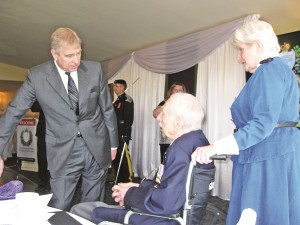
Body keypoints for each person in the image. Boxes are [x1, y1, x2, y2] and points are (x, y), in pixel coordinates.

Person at [191, 14, 300, 225]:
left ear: (258, 46)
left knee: (260, 216)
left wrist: (215, 147)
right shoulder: (279, 70)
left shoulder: (269, 70)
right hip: (273, 152)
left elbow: (262, 124)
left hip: (268, 157)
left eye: (241, 49)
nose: (238, 57)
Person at [0, 27, 118, 211]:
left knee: (92, 206)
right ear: (54, 54)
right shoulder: (37, 77)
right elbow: (14, 111)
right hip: (63, 150)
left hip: (96, 145)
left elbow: (107, 109)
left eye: (79, 53)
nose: (76, 61)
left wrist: (113, 144)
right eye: (69, 56)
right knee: (59, 205)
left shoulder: (94, 70)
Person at [70, 92, 214, 225]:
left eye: (164, 114)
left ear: (178, 122)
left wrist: (129, 195)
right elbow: (174, 189)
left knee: (81, 210)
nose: (158, 118)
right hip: (173, 215)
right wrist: (138, 187)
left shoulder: (180, 148)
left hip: (162, 219)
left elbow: (167, 202)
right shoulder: (199, 141)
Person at [153, 82, 186, 162]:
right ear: (171, 91)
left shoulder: (187, 103)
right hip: (166, 139)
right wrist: (169, 103)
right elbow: (155, 114)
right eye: (175, 90)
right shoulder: (164, 102)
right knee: (165, 162)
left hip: (182, 139)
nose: (177, 92)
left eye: (180, 90)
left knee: (179, 162)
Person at [112, 79, 134, 183]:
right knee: (116, 157)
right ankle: (118, 179)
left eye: (117, 86)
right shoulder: (117, 101)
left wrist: (125, 134)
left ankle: (128, 179)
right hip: (115, 134)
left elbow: (129, 119)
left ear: (123, 87)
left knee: (124, 157)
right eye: (115, 86)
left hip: (122, 134)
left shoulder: (127, 100)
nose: (115, 88)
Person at [30, 101, 50, 193]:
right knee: (42, 158)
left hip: (59, 132)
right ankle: (43, 182)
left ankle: (58, 184)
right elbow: (34, 108)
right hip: (43, 132)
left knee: (60, 160)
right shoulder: (42, 92)